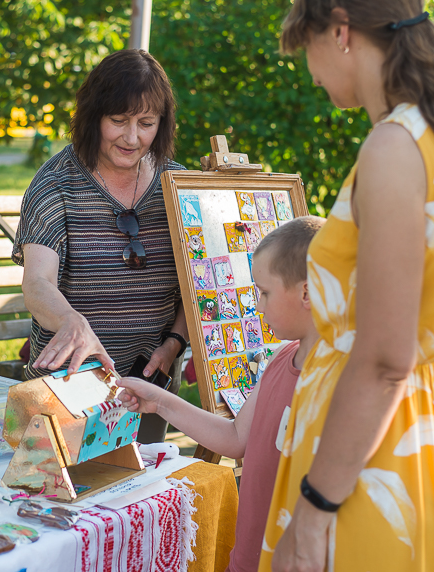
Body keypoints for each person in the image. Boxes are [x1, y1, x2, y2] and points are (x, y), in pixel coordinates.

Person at [260, 0, 434, 571]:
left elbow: (385, 360)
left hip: (369, 465)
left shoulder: (395, 146)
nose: (310, 73)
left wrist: (313, 511)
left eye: (308, 47)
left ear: (340, 31)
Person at [117, 216, 324, 572]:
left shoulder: (336, 384)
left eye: (265, 292)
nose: (258, 305)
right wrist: (159, 400)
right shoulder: (279, 360)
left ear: (306, 293)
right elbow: (236, 438)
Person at [12, 49, 188, 443]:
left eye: (146, 123)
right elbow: (37, 283)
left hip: (148, 389)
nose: (132, 137)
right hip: (67, 393)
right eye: (118, 120)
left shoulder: (177, 185)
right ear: (93, 117)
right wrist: (73, 324)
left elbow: (200, 284)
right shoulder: (56, 182)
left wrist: (175, 342)